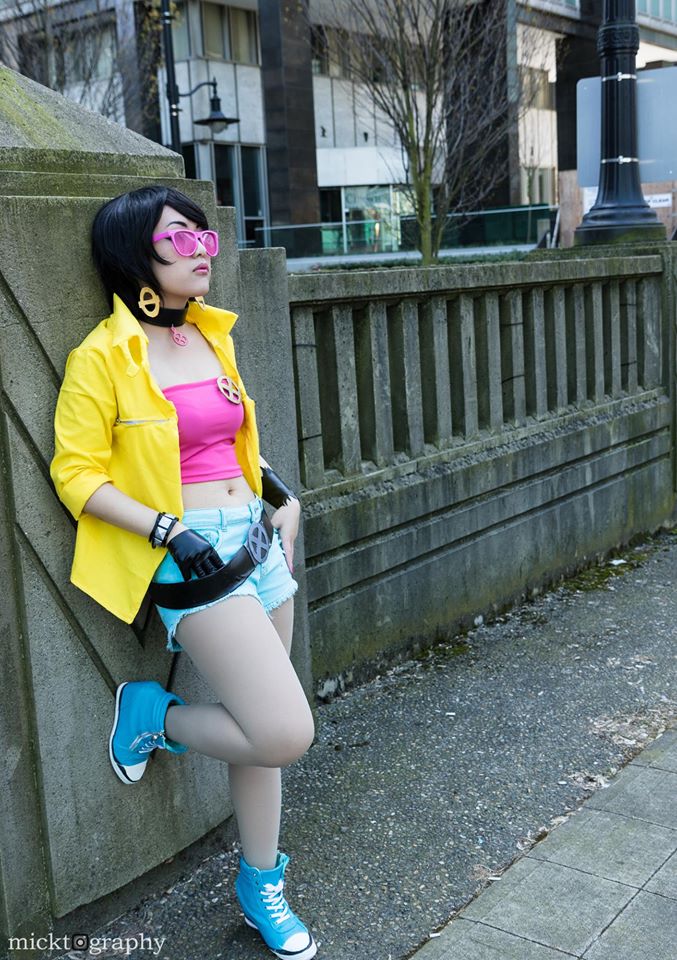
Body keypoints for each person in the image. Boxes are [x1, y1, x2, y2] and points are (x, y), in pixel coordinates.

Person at [50, 185, 317, 960]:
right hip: (188, 555)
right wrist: (168, 531)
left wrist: (284, 499)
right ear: (135, 253)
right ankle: (153, 716)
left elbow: (231, 444)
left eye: (205, 237)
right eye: (180, 238)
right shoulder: (104, 355)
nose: (201, 252)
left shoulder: (209, 333)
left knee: (260, 735)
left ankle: (261, 882)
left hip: (258, 541)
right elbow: (76, 475)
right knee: (283, 732)